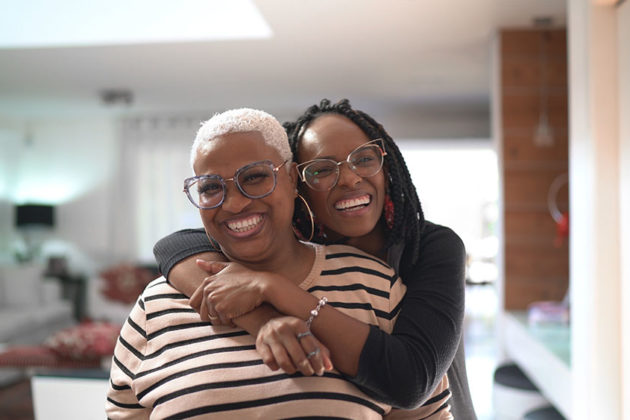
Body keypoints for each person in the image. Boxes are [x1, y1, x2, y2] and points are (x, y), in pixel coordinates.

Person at [106, 108, 452, 419]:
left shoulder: (377, 285)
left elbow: (417, 395)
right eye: (211, 187)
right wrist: (261, 319)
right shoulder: (158, 304)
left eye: (255, 177)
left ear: (290, 178)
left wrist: (272, 290)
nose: (235, 203)